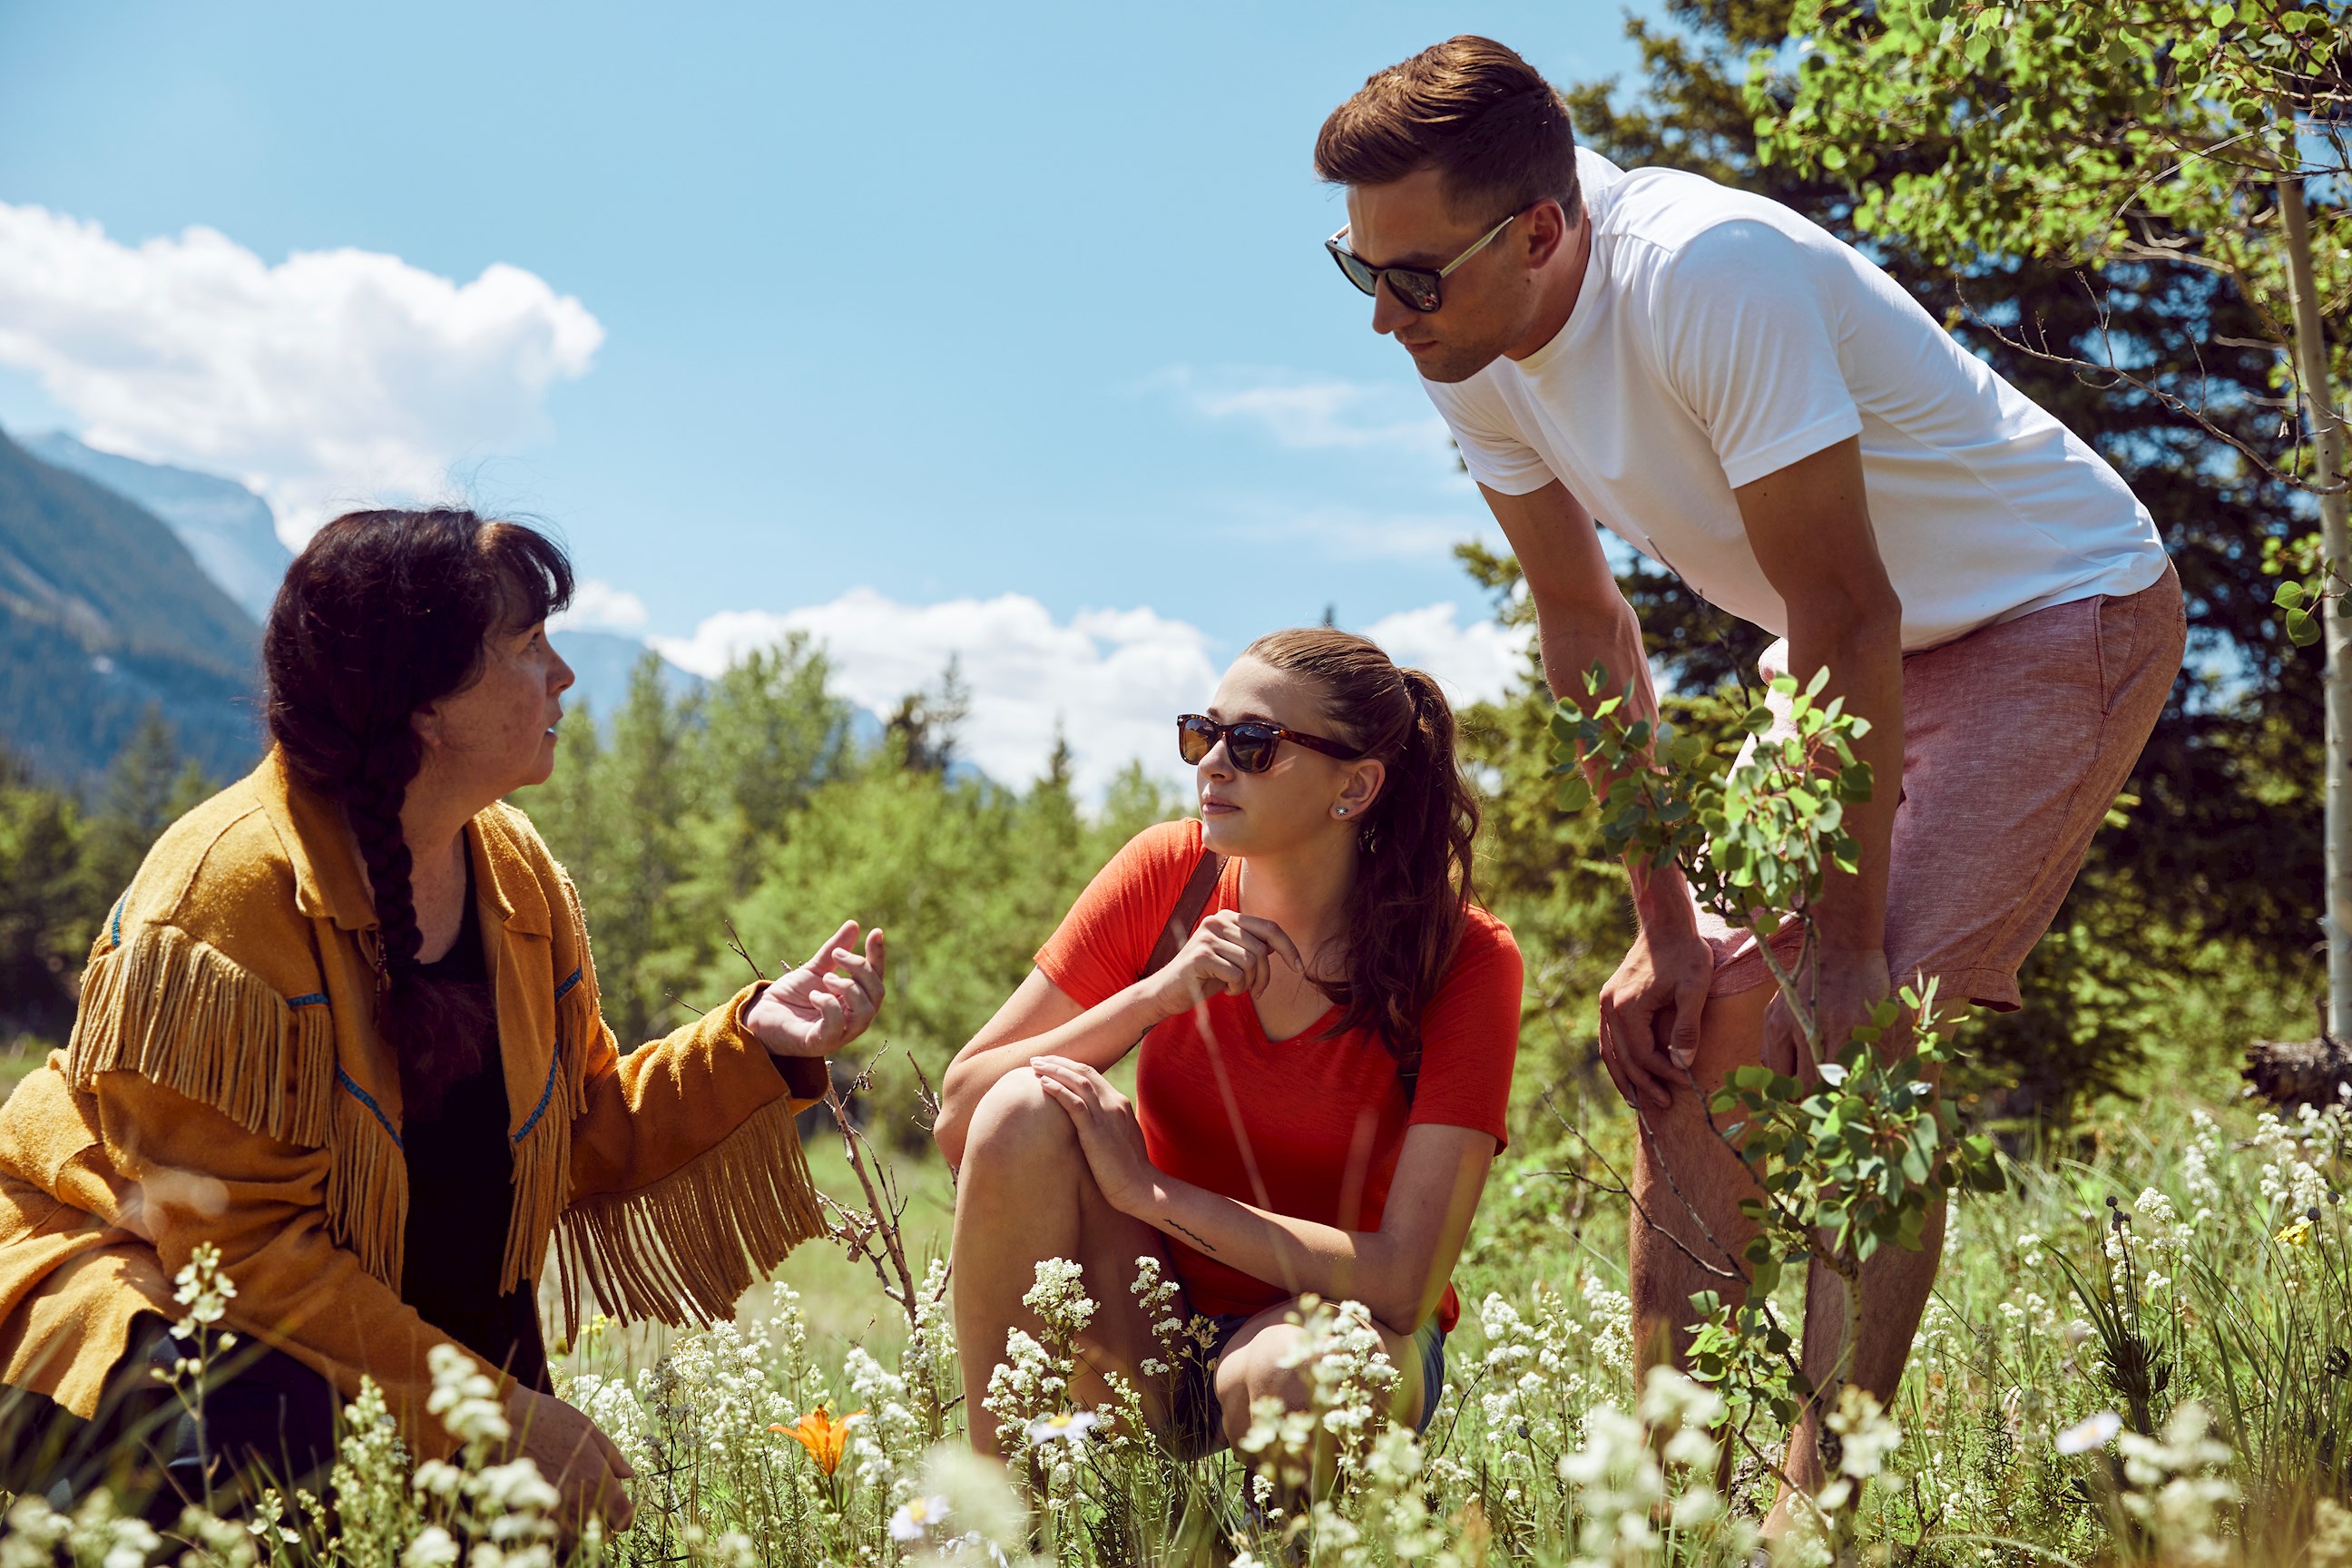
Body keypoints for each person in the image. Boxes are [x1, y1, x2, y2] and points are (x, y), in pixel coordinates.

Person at [1312, 36, 2185, 1517]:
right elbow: (1584, 622)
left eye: (1411, 279)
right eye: (1358, 271)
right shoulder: (1472, 342)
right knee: (1699, 1017)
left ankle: (1813, 1517)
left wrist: (1843, 945)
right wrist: (1662, 922)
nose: (1386, 318)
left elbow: (1848, 606)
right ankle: (1677, 1512)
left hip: (2051, 612)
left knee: (1870, 1040)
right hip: (1846, 648)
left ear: (1539, 231)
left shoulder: (1707, 276)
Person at [0, 509, 885, 1527]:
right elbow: (235, 1255)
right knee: (277, 1467)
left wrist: (755, 1041)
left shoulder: (513, 868)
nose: (563, 676)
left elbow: (575, 1128)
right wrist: (497, 1418)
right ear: (425, 703)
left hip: (370, 1331)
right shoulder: (223, 895)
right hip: (159, 1317)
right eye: (529, 645)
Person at [934, 629, 1523, 1477]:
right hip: (1148, 1312)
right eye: (1201, 733)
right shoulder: (1169, 874)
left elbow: (1404, 1281)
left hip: (1336, 1332)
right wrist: (1154, 997)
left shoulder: (1462, 958)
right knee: (1026, 1103)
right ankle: (1001, 1520)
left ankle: (1276, 1531)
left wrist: (1149, 1192)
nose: (1212, 764)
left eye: (1254, 744)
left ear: (1355, 787)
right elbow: (963, 1114)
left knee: (1291, 1373)